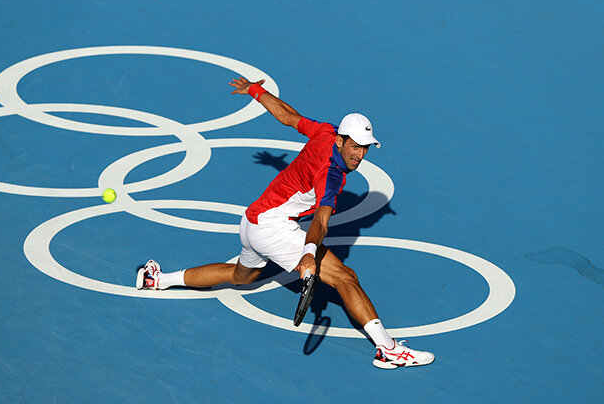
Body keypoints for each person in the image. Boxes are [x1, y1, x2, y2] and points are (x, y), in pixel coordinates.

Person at [137, 77, 434, 369]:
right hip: (273, 228)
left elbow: (289, 117)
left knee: (241, 277)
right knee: (345, 277)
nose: (360, 154)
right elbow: (321, 218)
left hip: (252, 221)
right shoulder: (331, 175)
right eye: (355, 146)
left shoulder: (325, 133)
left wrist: (255, 90)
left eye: (366, 147)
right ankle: (388, 349)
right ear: (342, 141)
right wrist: (308, 253)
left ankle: (157, 280)